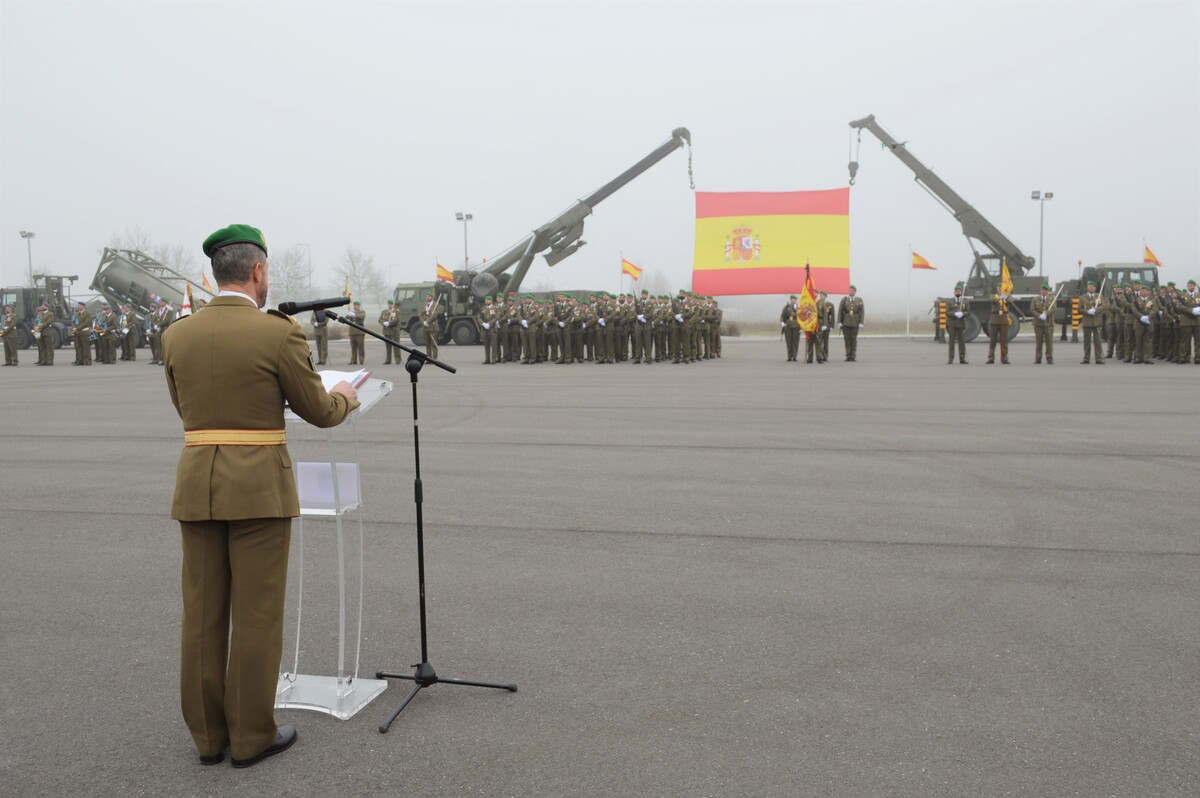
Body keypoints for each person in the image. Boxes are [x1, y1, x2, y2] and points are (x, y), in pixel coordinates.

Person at [162, 224, 359, 769]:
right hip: (258, 489)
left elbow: (186, 409)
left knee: (201, 614)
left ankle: (208, 738)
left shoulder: (177, 334)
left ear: (213, 273)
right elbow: (317, 411)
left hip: (197, 481)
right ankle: (251, 737)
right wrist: (345, 397)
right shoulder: (278, 334)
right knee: (256, 615)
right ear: (258, 272)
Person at [1077, 280, 1104, 364]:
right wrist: (1087, 311)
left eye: (1093, 286)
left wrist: (1096, 310)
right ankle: (1086, 358)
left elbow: (1103, 306)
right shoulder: (1082, 297)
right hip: (1087, 322)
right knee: (1087, 341)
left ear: (1095, 288)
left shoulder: (1099, 296)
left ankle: (1098, 358)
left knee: (1097, 341)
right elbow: (1079, 309)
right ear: (1087, 287)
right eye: (1090, 286)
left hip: (1097, 322)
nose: (1092, 288)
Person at [1030, 283, 1055, 364]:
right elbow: (1032, 310)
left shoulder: (1052, 299)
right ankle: (1038, 358)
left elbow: (1054, 308)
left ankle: (1049, 358)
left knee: (1049, 342)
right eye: (1043, 290)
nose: (1044, 291)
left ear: (1048, 291)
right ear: (1040, 290)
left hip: (1048, 323)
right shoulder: (1035, 299)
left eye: (1046, 290)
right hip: (1038, 323)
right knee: (1039, 342)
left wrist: (1046, 314)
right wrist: (1039, 315)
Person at [838, 285, 864, 362]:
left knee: (853, 339)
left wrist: (861, 322)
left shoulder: (859, 300)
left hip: (855, 322)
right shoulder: (844, 300)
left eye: (852, 290)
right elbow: (840, 311)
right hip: (846, 322)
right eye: (850, 290)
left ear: (855, 292)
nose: (851, 292)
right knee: (847, 340)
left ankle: (853, 355)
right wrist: (839, 321)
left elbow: (862, 312)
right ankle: (848, 355)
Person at [1177, 278, 1200, 364]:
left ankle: (1198, 357)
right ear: (1187, 286)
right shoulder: (1182, 295)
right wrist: (1191, 310)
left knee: (1198, 341)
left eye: (1193, 285)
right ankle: (1183, 357)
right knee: (1185, 340)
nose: (1192, 287)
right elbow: (1179, 306)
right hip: (1186, 321)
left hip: (1197, 321)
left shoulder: (1198, 295)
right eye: (1190, 285)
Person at [946, 283, 969, 364]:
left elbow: (968, 312)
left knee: (961, 342)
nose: (958, 292)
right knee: (951, 342)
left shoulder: (965, 301)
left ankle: (962, 359)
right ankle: (950, 359)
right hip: (952, 324)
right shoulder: (950, 301)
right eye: (956, 291)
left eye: (959, 291)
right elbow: (947, 312)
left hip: (961, 323)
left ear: (961, 292)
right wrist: (954, 314)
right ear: (954, 292)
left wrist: (963, 314)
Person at [986, 289, 1011, 364]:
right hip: (994, 320)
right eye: (999, 288)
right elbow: (992, 299)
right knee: (992, 340)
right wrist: (1000, 298)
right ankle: (991, 358)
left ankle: (1004, 358)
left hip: (1004, 320)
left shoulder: (1007, 296)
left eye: (1001, 288)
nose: (1000, 290)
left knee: (1004, 340)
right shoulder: (994, 296)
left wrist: (1005, 298)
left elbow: (1011, 300)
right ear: (997, 289)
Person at [72, 300, 94, 366]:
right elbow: (74, 321)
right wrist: (73, 328)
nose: (79, 306)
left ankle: (87, 361)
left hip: (84, 332)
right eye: (78, 305)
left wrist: (77, 328)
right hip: (77, 332)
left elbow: (86, 323)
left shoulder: (87, 313)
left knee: (85, 347)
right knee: (79, 347)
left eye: (80, 305)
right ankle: (80, 360)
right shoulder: (77, 313)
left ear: (84, 306)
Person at [378, 300, 400, 364]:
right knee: (388, 347)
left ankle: (398, 360)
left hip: (394, 331)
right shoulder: (384, 312)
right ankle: (388, 360)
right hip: (387, 331)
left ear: (393, 305)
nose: (390, 305)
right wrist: (384, 323)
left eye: (391, 304)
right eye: (389, 304)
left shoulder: (397, 311)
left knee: (396, 347)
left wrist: (389, 323)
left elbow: (397, 319)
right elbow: (380, 320)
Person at [34, 300, 55, 366]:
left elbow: (48, 322)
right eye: (42, 305)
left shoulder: (50, 314)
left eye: (43, 305)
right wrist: (35, 327)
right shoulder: (41, 314)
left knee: (49, 347)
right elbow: (37, 321)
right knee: (42, 347)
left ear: (47, 307)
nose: (42, 307)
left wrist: (39, 326)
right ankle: (44, 360)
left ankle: (50, 361)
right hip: (40, 332)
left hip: (47, 332)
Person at [420, 294, 440, 360]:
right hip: (425, 327)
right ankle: (428, 358)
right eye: (426, 296)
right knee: (427, 344)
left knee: (433, 343)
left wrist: (428, 321)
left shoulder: (435, 304)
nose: (427, 297)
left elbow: (434, 315)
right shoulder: (424, 305)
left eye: (428, 296)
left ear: (431, 297)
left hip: (432, 326)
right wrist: (423, 322)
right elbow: (420, 315)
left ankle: (434, 358)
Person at [780, 295, 800, 361]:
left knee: (795, 342)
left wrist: (802, 327)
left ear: (796, 300)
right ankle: (789, 356)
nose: (793, 300)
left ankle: (794, 357)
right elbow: (782, 316)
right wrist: (782, 322)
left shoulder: (799, 307)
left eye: (794, 299)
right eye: (792, 299)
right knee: (789, 342)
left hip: (797, 326)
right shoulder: (786, 307)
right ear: (790, 299)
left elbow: (802, 317)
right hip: (788, 326)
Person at [347, 300, 366, 365]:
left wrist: (354, 314)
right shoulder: (352, 312)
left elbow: (361, 317)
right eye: (354, 305)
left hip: (359, 333)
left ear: (359, 306)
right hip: (352, 332)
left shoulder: (362, 312)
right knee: (353, 348)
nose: (355, 307)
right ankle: (353, 361)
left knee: (361, 348)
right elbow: (346, 318)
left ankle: (361, 360)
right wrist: (348, 314)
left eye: (356, 305)